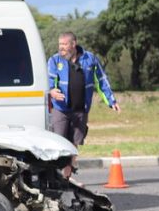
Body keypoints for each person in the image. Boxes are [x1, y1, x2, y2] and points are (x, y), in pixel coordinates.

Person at [46, 32, 120, 182]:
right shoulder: (54, 60)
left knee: (74, 143)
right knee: (59, 142)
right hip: (60, 109)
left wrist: (111, 101)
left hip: (80, 109)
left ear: (73, 44)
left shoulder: (90, 59)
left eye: (64, 44)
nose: (61, 48)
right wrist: (52, 91)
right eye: (60, 44)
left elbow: (101, 80)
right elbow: (49, 81)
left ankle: (67, 177)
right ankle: (56, 176)